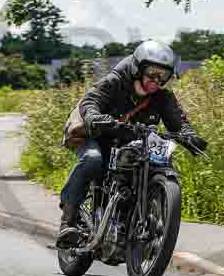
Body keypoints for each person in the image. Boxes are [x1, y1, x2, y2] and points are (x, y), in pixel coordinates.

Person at [56, 39, 208, 249]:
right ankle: (68, 223)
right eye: (152, 72)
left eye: (163, 75)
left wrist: (189, 136)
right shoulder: (116, 81)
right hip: (94, 131)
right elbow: (91, 101)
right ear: (138, 68)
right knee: (92, 160)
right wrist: (95, 117)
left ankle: (131, 223)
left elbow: (178, 121)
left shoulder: (162, 97)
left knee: (144, 165)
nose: (157, 79)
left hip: (127, 137)